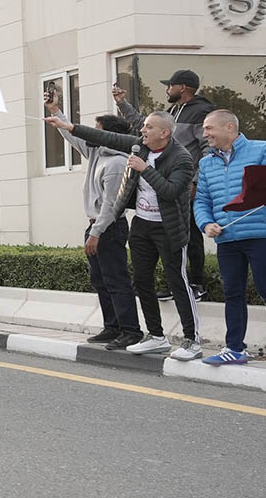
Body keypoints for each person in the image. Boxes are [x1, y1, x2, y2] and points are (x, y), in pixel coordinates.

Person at [46, 111, 201, 359]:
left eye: (149, 127)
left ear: (165, 133)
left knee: (177, 282)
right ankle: (156, 337)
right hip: (142, 226)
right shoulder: (140, 146)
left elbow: (170, 191)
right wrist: (67, 125)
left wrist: (145, 168)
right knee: (142, 281)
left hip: (168, 228)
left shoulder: (181, 157)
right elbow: (105, 136)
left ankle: (191, 341)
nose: (143, 131)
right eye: (144, 126)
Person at [196, 110, 266, 368]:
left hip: (260, 234)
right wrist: (206, 223)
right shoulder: (206, 163)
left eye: (209, 128)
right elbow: (201, 200)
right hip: (227, 237)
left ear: (229, 127)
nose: (204, 134)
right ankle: (234, 349)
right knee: (232, 292)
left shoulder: (264, 149)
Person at [45, 93, 142, 350]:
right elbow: (73, 137)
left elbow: (111, 206)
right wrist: (56, 111)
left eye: (97, 129)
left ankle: (130, 330)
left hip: (109, 227)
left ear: (108, 135)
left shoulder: (117, 163)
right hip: (96, 226)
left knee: (116, 280)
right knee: (100, 280)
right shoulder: (97, 152)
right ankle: (112, 327)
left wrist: (96, 232)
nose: (92, 133)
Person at [113, 69, 213, 300]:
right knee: (172, 237)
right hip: (163, 183)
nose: (167, 90)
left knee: (190, 234)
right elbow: (144, 125)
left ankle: (196, 284)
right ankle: (176, 284)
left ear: (183, 88)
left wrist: (196, 181)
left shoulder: (201, 112)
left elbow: (208, 149)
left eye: (170, 85)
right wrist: (122, 103)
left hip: (185, 184)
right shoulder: (173, 111)